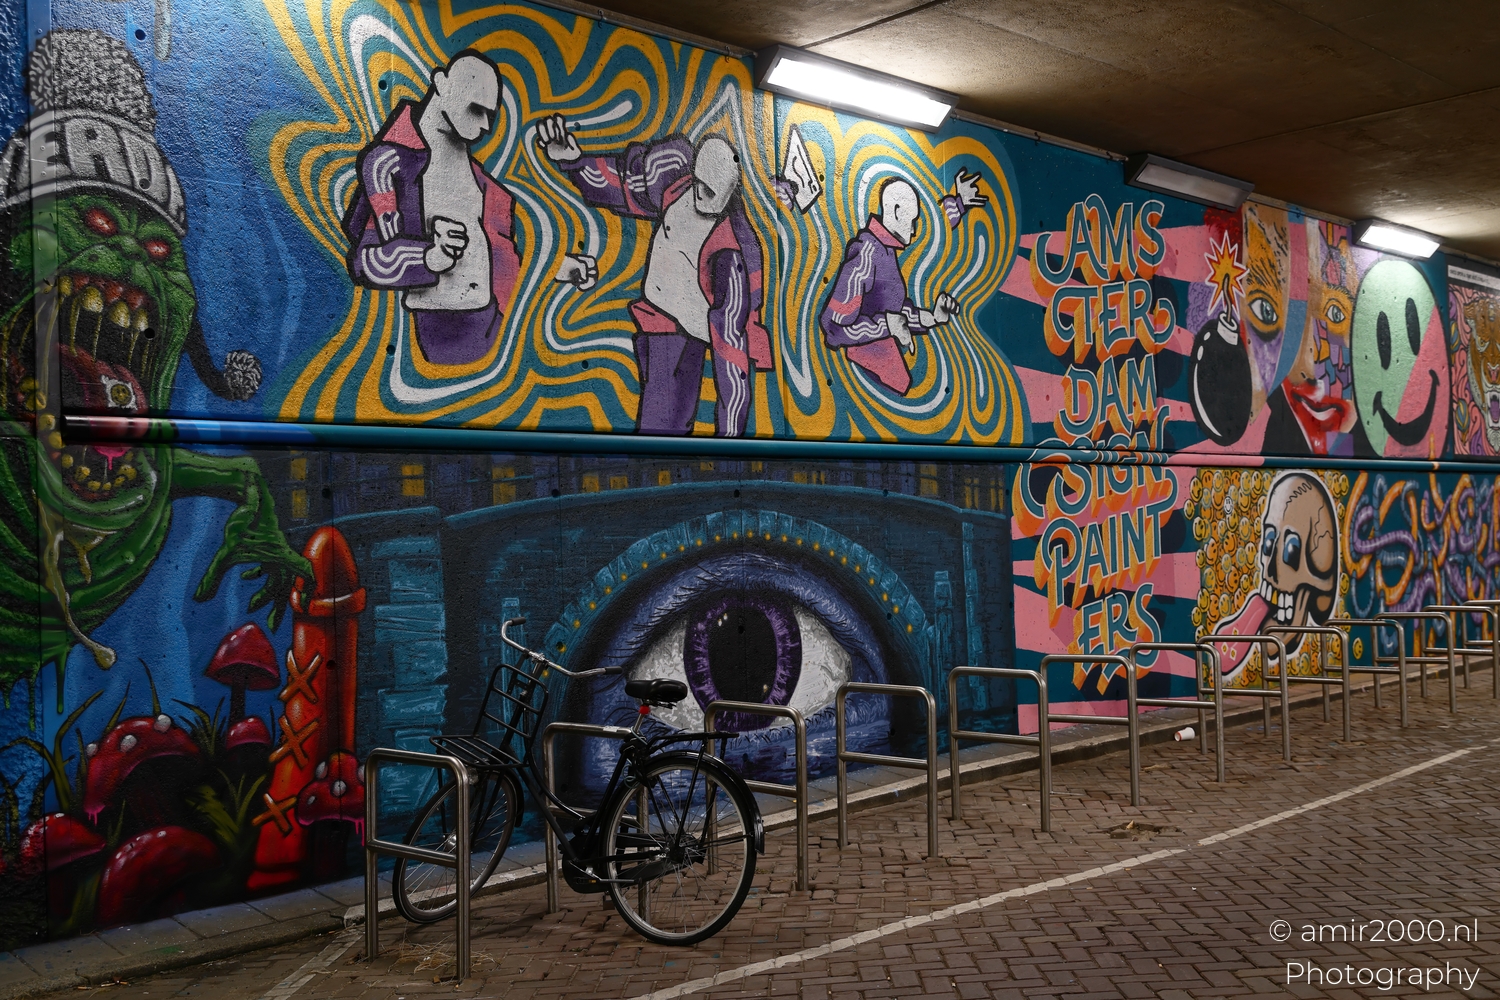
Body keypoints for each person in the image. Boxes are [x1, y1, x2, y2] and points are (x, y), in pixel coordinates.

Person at [538, 115, 771, 437]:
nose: (704, 198)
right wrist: (573, 162)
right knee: (663, 419)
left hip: (697, 326)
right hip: (659, 319)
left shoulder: (730, 253)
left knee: (668, 420)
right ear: (694, 174)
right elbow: (620, 186)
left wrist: (732, 437)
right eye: (701, 186)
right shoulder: (673, 184)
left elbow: (730, 346)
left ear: (731, 194)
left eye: (715, 193)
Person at [344, 51, 541, 366]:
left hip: (493, 323)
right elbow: (365, 262)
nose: (485, 126)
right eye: (476, 109)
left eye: (490, 115)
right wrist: (428, 259)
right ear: (441, 83)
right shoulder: (390, 164)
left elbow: (502, 250)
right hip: (441, 329)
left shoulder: (482, 181)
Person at [820, 173, 985, 395]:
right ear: (897, 212)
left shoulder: (886, 253)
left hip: (886, 383)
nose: (915, 229)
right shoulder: (867, 253)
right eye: (912, 219)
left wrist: (934, 317)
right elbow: (833, 327)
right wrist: (886, 325)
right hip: (865, 386)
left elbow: (896, 310)